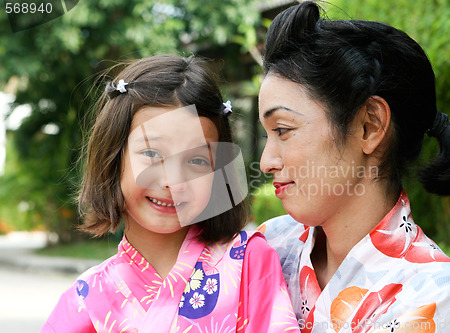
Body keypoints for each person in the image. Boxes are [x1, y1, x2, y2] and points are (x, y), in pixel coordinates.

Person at [257, 2, 450, 332]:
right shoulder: (270, 245)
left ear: (369, 126)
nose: (266, 162)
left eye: (283, 130)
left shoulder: (438, 296)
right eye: (267, 134)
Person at [41, 54, 299, 333]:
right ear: (113, 159)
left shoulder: (251, 262)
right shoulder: (85, 301)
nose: (173, 180)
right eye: (152, 153)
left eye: (197, 161)